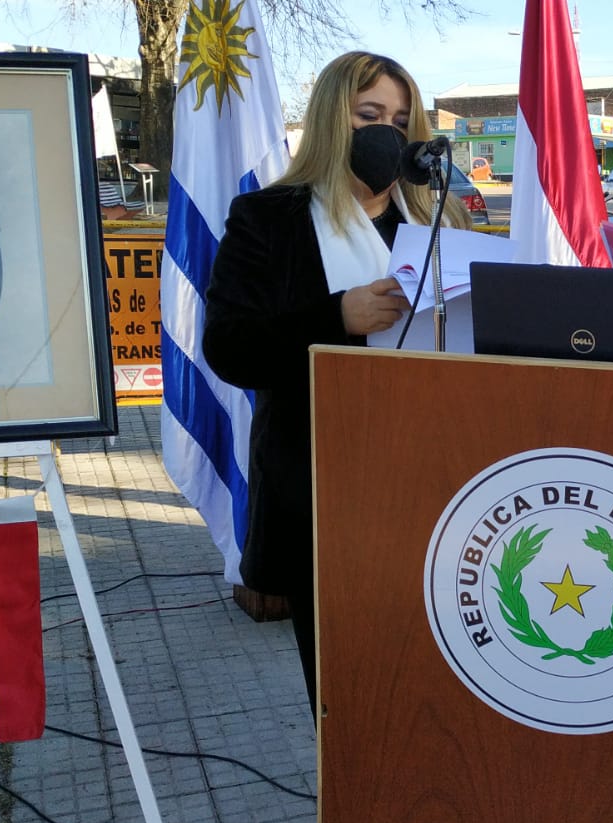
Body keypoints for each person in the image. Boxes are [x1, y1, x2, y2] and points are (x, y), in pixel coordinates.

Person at [202, 52, 472, 719]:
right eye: (369, 115)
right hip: (323, 497)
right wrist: (334, 317)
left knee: (432, 700)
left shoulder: (441, 221)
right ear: (332, 119)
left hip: (438, 492)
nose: (387, 132)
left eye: (402, 121)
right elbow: (228, 347)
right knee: (348, 703)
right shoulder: (268, 217)